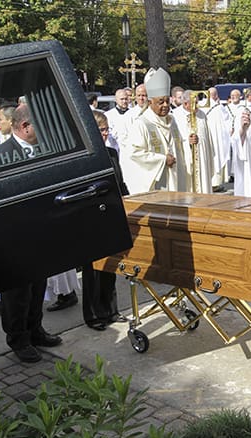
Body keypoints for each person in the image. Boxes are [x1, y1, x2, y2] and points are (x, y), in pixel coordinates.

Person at [0, 104, 62, 362]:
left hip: (41, 231)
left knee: (38, 286)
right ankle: (18, 338)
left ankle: (35, 329)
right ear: (25, 126)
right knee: (17, 293)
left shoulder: (45, 150)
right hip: (15, 235)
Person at [80, 109, 130, 330]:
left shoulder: (111, 153)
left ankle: (110, 309)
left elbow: (119, 183)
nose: (105, 133)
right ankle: (93, 314)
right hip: (90, 218)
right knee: (93, 270)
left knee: (111, 266)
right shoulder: (83, 156)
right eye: (101, 130)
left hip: (111, 213)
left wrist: (128, 202)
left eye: (107, 129)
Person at [122, 68, 187, 194]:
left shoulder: (172, 122)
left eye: (167, 101)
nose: (165, 105)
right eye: (160, 102)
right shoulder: (141, 124)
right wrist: (162, 160)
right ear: (150, 102)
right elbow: (134, 154)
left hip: (174, 178)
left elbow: (180, 148)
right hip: (155, 184)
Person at [172, 90, 214, 193]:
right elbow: (174, 140)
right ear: (185, 103)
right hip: (185, 161)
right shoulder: (175, 116)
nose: (196, 106)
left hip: (202, 160)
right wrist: (187, 142)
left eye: (197, 102)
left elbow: (207, 138)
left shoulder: (202, 115)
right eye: (193, 103)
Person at [205, 87, 232, 191]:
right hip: (218, 138)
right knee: (218, 157)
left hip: (209, 137)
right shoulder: (219, 107)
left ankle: (211, 183)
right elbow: (228, 121)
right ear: (215, 95)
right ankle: (215, 183)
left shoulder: (202, 106)